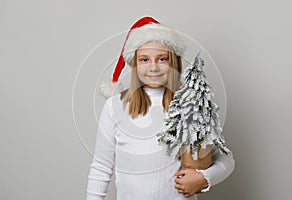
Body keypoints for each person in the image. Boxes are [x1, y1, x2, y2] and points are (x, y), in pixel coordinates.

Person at [87, 16, 235, 200]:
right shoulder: (115, 106)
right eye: (144, 59)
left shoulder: (191, 107)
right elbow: (101, 166)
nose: (153, 67)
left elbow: (226, 160)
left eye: (162, 58)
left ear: (173, 62)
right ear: (134, 64)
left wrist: (204, 178)